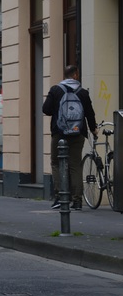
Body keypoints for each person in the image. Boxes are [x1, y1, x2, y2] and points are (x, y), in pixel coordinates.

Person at [42, 65, 98, 210]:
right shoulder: (83, 93)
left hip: (59, 134)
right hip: (78, 133)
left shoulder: (55, 90)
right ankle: (77, 200)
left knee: (56, 163)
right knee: (75, 166)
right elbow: (90, 114)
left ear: (65, 75)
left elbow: (46, 109)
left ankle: (60, 197)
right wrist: (93, 129)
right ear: (75, 75)